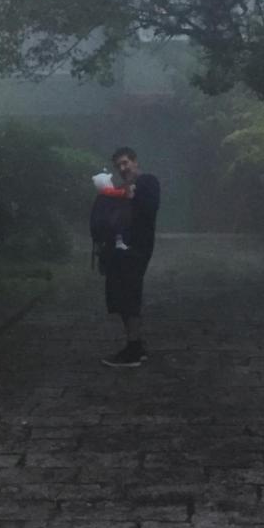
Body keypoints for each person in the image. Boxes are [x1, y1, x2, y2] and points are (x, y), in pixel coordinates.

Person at [101, 147, 160, 368]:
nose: (122, 168)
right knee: (121, 297)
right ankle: (134, 344)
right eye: (119, 166)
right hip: (119, 250)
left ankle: (134, 349)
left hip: (137, 249)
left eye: (125, 163)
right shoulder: (121, 189)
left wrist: (131, 197)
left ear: (135, 162)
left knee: (130, 296)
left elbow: (149, 210)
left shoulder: (148, 182)